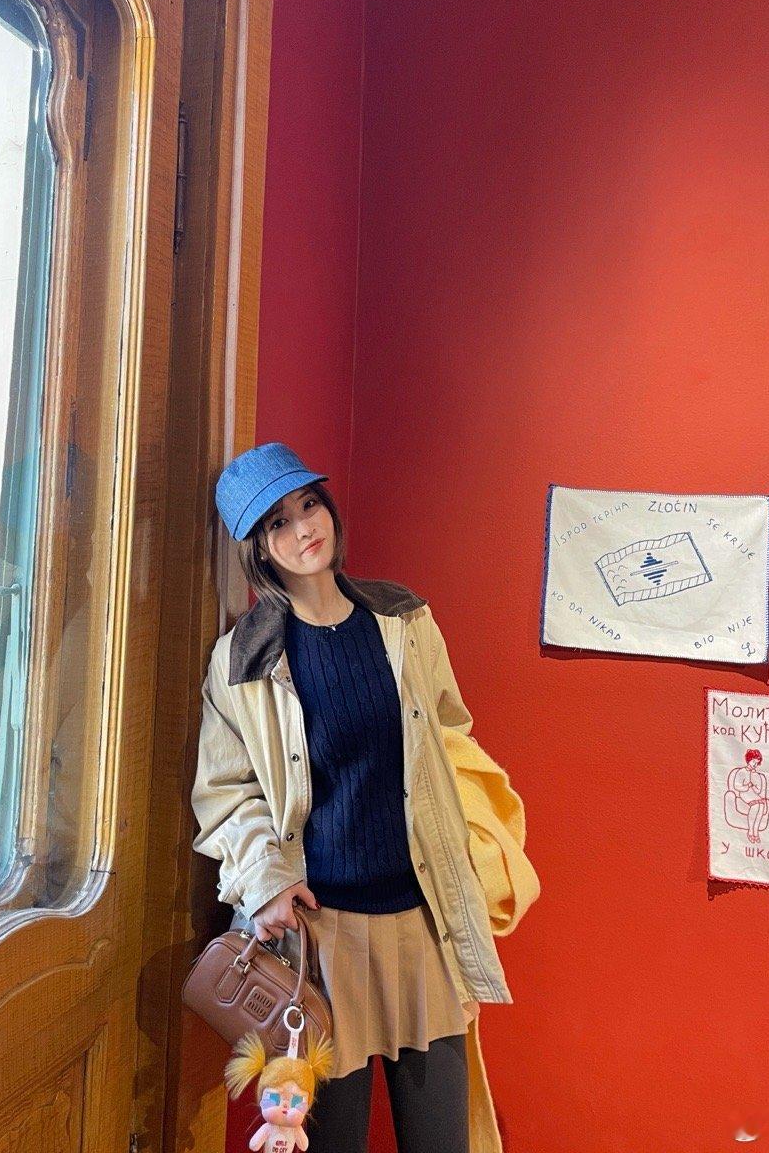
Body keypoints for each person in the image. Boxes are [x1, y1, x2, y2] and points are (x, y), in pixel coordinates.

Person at [191, 442, 516, 1153]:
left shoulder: (405, 620)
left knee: (442, 1138)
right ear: (258, 549)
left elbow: (450, 736)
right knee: (332, 1140)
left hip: (421, 920)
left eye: (309, 504)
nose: (304, 527)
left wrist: (471, 843)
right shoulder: (242, 661)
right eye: (278, 522)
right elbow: (224, 793)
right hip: (320, 938)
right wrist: (266, 880)